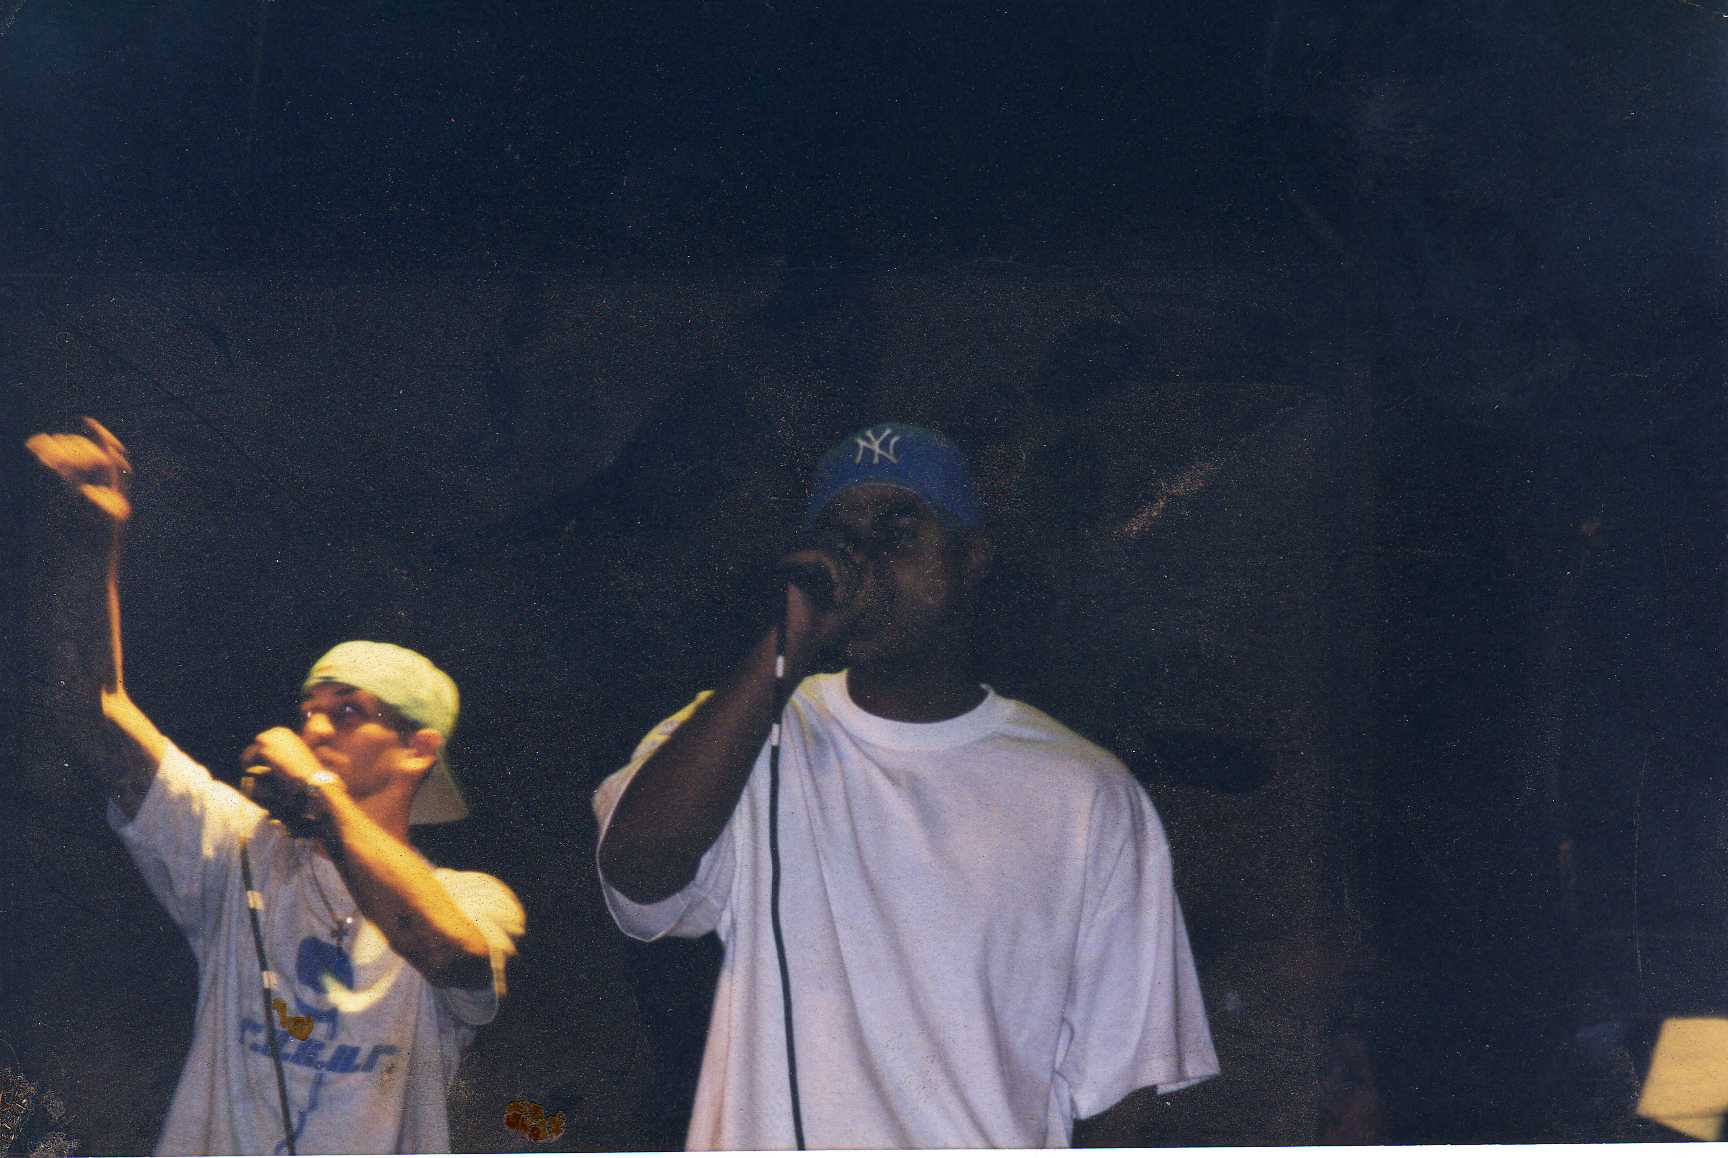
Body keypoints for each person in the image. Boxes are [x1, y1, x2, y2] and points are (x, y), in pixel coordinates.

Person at [593, 422, 1218, 1149]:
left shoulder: (1085, 791)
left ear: (971, 558)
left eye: (898, 529)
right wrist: (787, 643)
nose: (863, 558)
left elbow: (1128, 1086)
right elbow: (636, 874)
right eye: (842, 536)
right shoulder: (745, 732)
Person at [26, 418, 525, 1156]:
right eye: (309, 710)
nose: (315, 727)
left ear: (419, 749)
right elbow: (92, 710)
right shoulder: (240, 847)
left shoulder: (475, 899)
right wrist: (89, 543)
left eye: (347, 712)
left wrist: (318, 793)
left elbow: (450, 956)